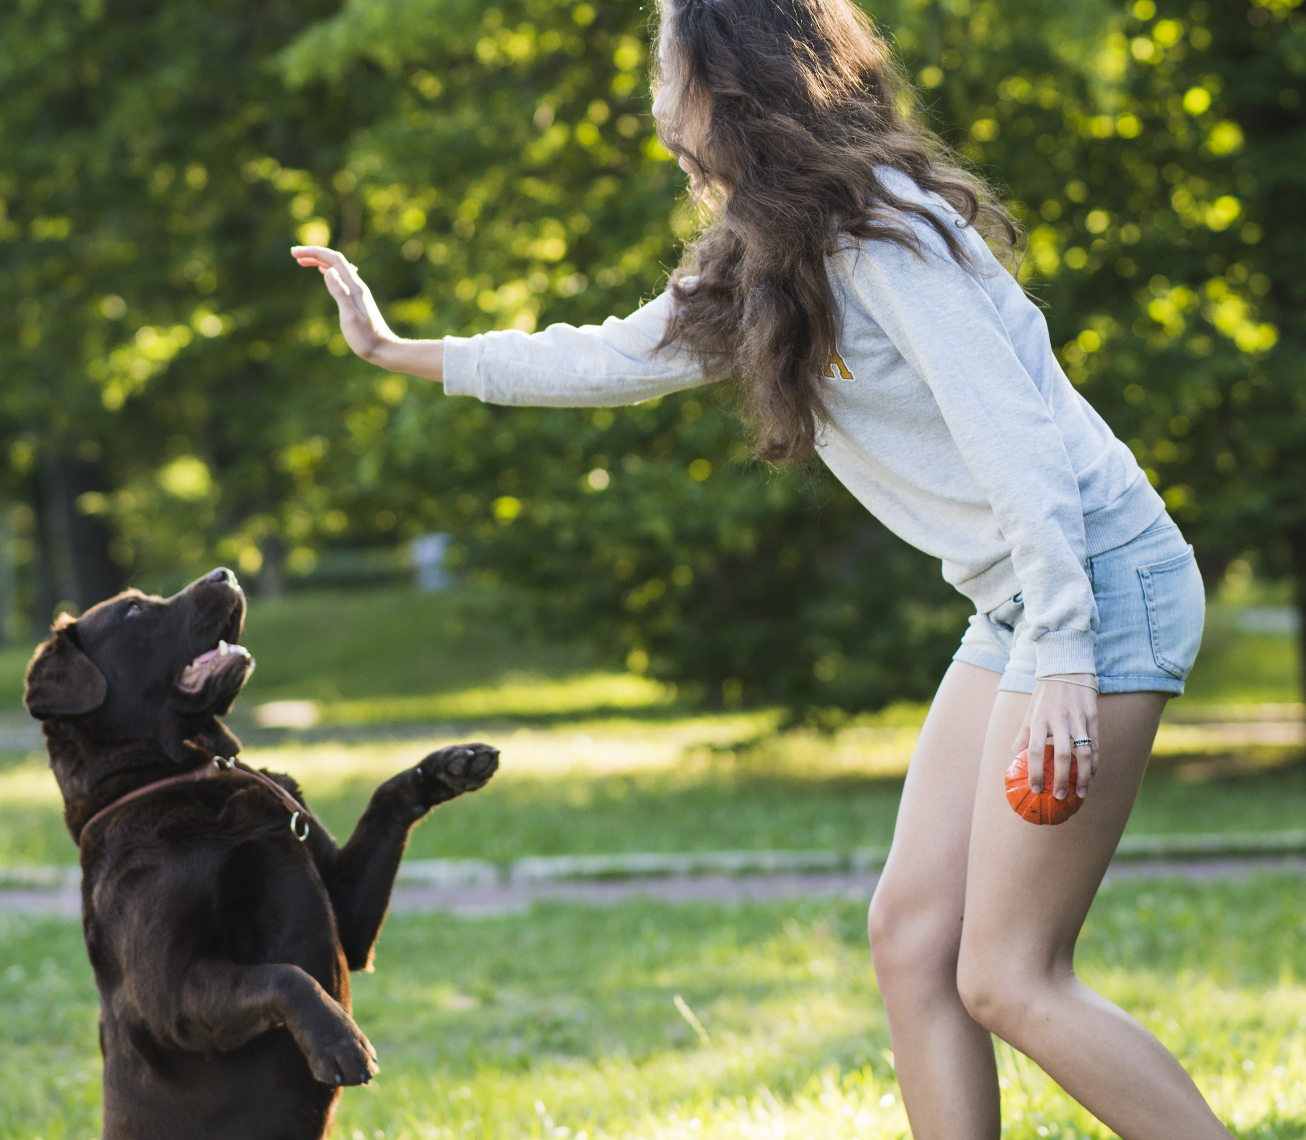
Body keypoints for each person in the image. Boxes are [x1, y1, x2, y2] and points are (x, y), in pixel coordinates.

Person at [292, 0, 1225, 1135]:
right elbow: (617, 357)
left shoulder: (882, 231)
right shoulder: (769, 246)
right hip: (1020, 602)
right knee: (911, 941)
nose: (654, 95)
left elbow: (1015, 441)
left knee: (1007, 976)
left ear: (731, 80)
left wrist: (1069, 651)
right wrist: (400, 350)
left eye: (665, 67)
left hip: (1095, 584)